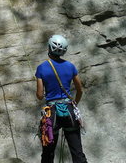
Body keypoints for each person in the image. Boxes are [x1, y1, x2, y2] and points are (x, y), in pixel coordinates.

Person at [36, 34, 88, 163]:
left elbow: (40, 95)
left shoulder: (42, 68)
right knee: (77, 152)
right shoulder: (70, 66)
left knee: (48, 154)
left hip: (51, 113)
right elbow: (80, 90)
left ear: (49, 48)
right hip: (69, 110)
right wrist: (74, 103)